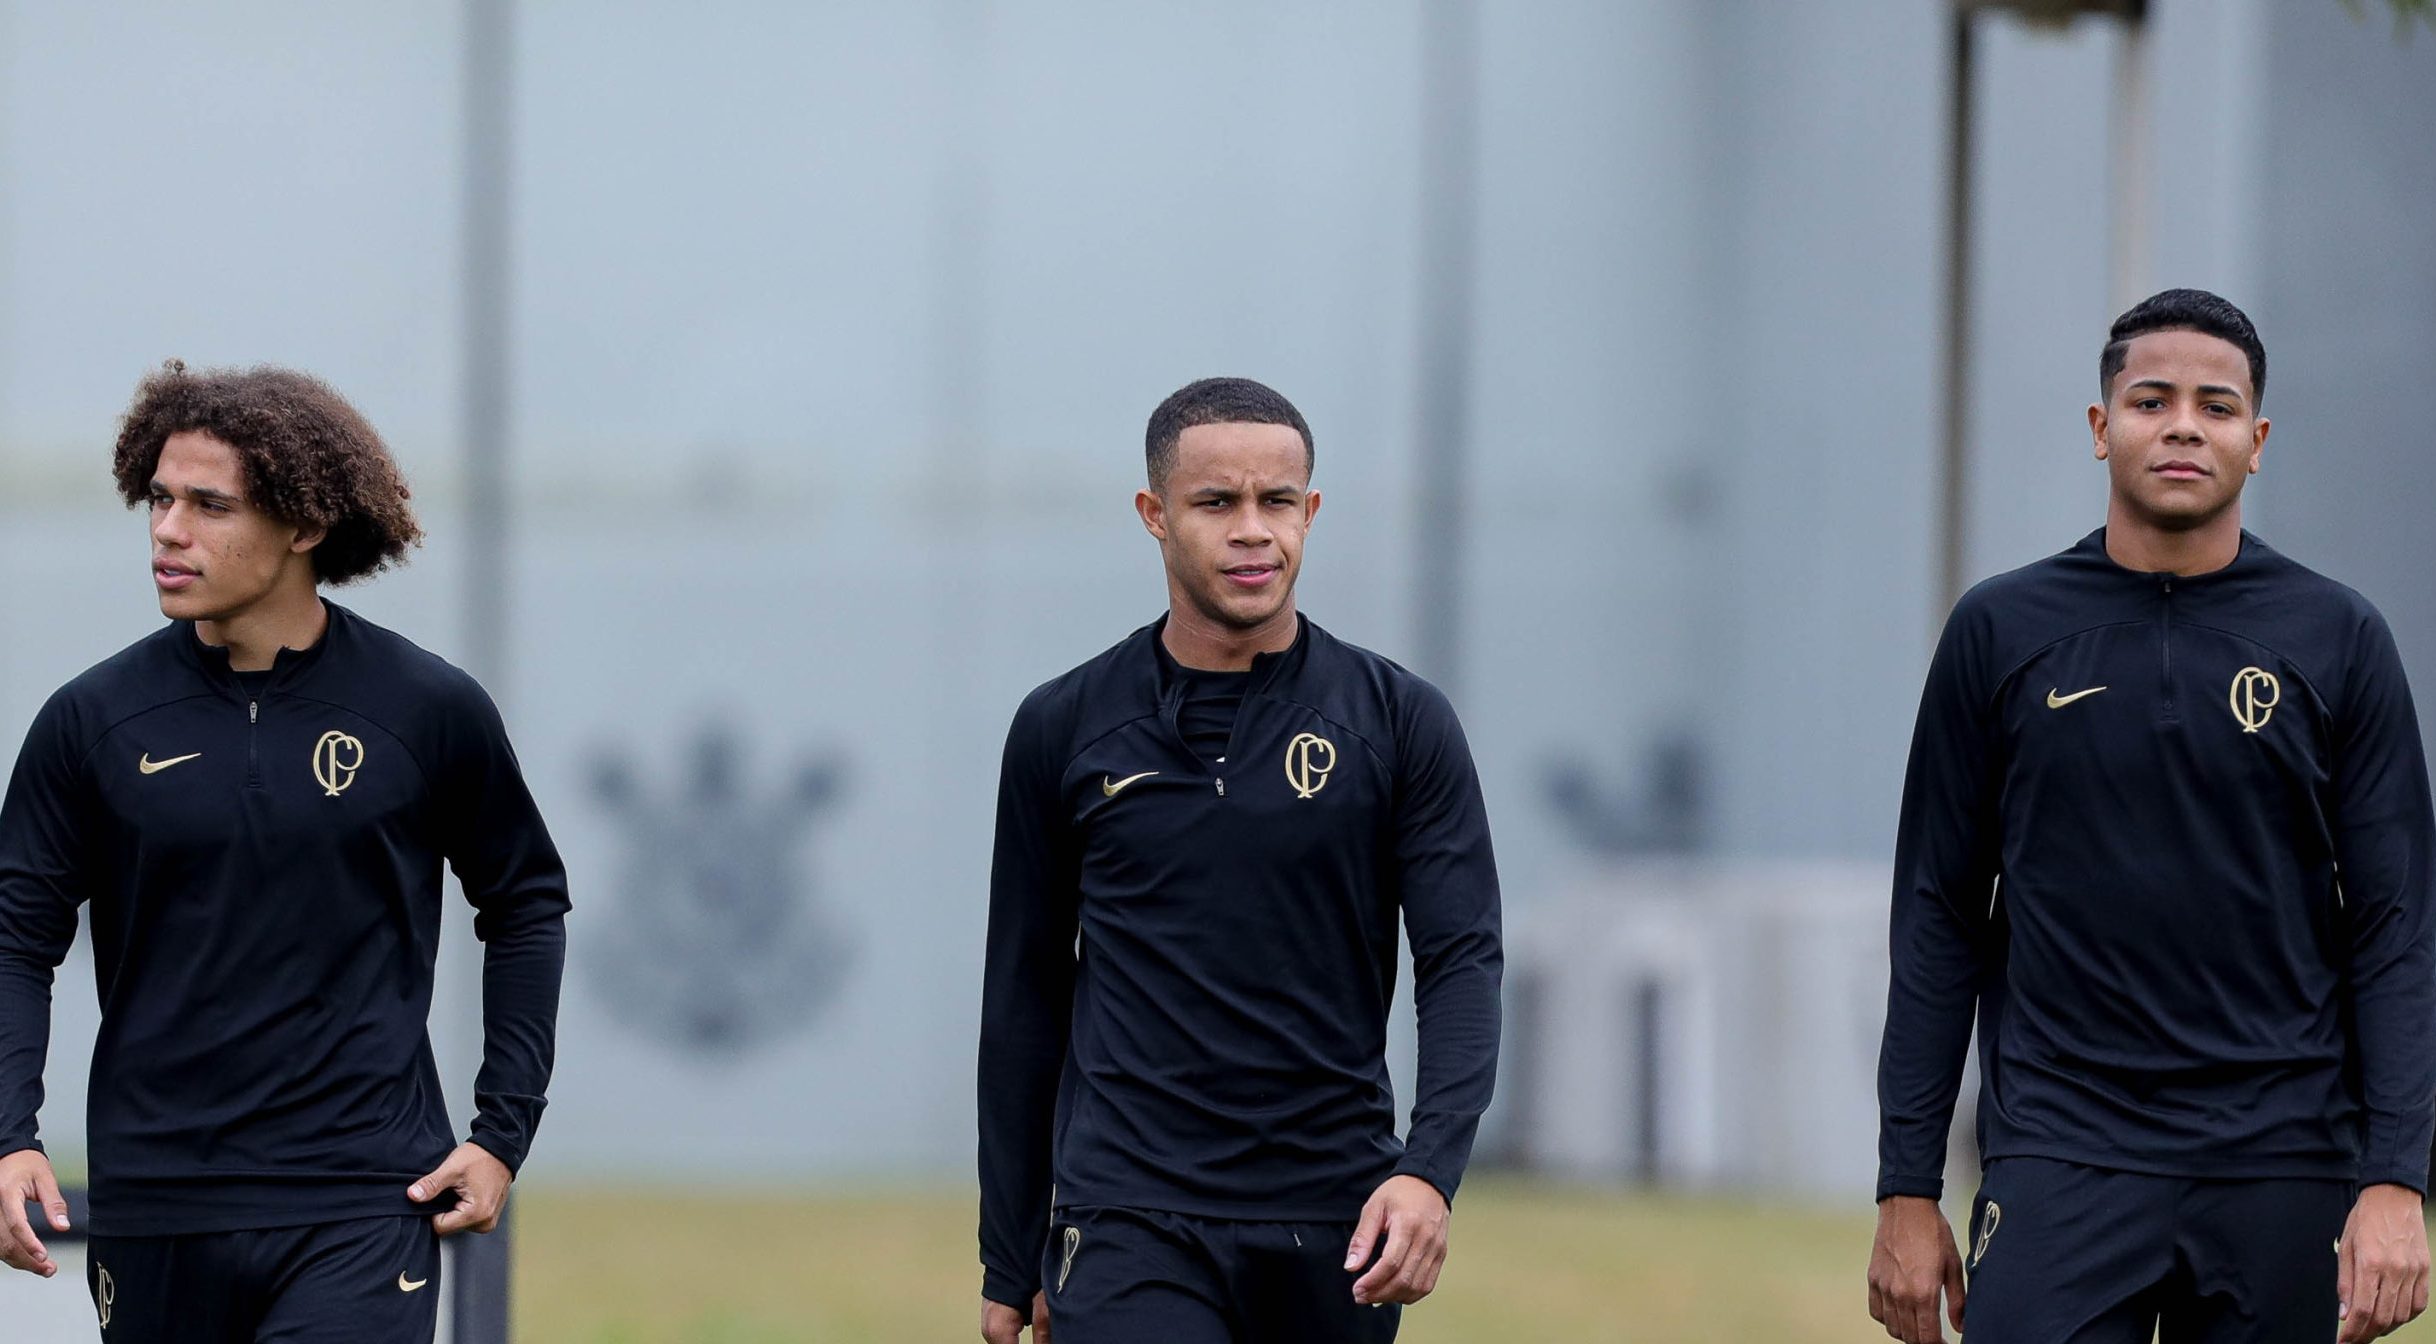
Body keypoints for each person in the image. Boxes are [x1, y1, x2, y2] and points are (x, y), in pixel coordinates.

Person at [1867, 290, 2435, 1344]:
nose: (2182, 425)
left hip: (2287, 1155)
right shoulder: (2002, 631)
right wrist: (1907, 1183)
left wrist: (2398, 1177)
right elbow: (1939, 914)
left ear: (2256, 443)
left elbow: (2395, 927)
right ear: (2102, 428)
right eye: (2151, 399)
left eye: (2216, 407)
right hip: (2061, 1149)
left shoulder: (2339, 638)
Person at [0, 362, 571, 1342]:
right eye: (161, 498)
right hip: (156, 1204)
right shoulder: (89, 721)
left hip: (360, 1200)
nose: (168, 530)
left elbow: (525, 904)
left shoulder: (426, 711)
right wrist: (9, 1135)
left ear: (304, 524)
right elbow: (15, 938)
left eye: (208, 505)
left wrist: (501, 1132)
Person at [976, 377, 1503, 1344]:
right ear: (1154, 515)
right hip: (1129, 1210)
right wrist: (1010, 1254)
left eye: (1276, 503)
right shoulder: (1065, 726)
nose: (1252, 531)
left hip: (1335, 1218)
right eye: (1216, 503)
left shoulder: (1400, 722)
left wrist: (1428, 1171)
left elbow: (1462, 964)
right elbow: (1025, 994)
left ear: (1311, 512)